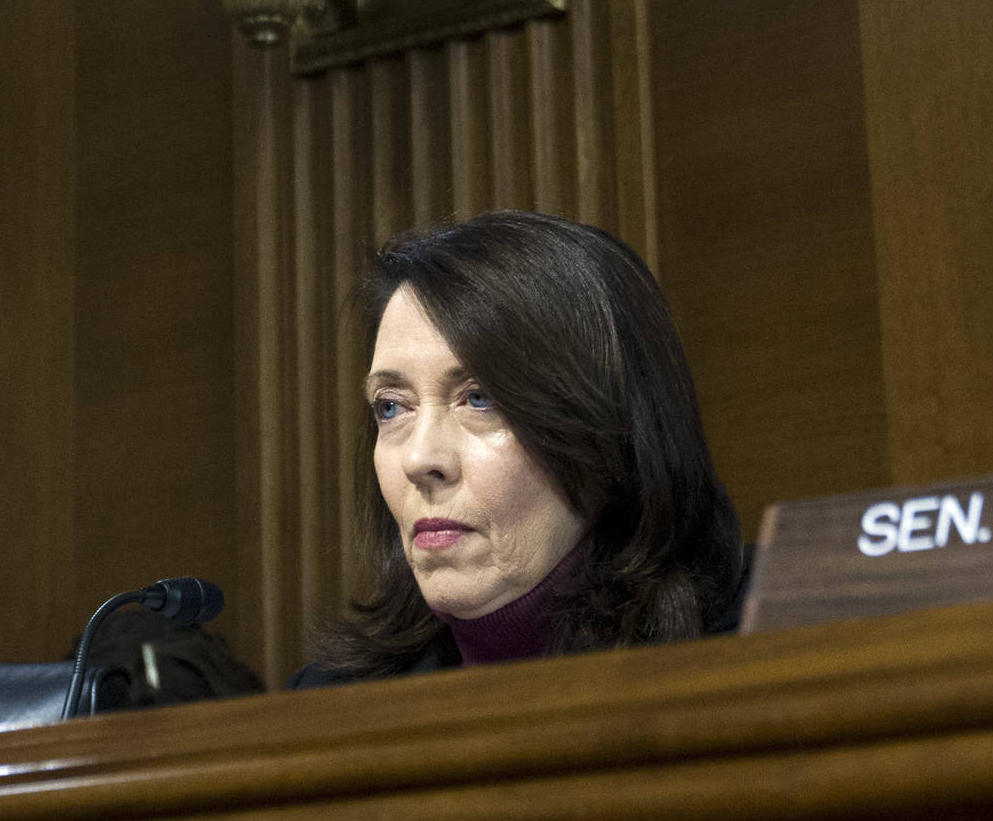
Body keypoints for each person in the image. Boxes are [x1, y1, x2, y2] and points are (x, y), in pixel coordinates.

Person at [292, 211, 744, 686]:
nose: (419, 460)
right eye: (391, 408)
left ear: (612, 429)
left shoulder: (765, 653)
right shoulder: (322, 702)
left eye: (480, 398)